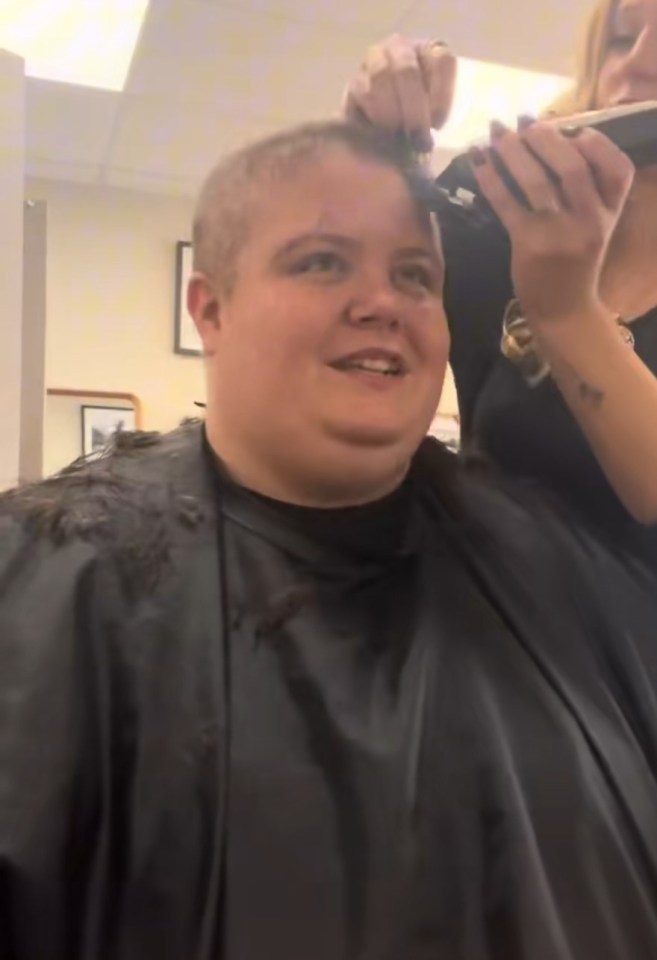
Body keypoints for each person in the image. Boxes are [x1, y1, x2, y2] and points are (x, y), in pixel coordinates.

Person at [2, 120, 657, 960]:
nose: (380, 302)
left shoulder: (553, 564)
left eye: (415, 275)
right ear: (210, 308)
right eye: (320, 262)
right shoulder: (53, 580)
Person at [343, 0, 657, 565]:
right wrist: (378, 145)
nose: (635, 68)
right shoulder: (506, 224)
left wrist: (564, 310)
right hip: (483, 627)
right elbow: (360, 302)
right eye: (620, 40)